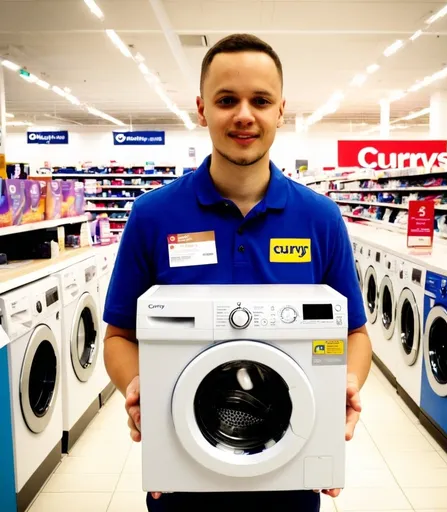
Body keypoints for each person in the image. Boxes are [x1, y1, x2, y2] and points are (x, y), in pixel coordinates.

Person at [103, 33, 372, 512]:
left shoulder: (320, 219)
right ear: (202, 109)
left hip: (292, 470)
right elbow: (119, 334)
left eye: (260, 100)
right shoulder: (152, 216)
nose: (244, 115)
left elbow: (354, 332)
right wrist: (135, 385)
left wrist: (346, 384)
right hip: (183, 472)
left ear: (280, 110)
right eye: (227, 100)